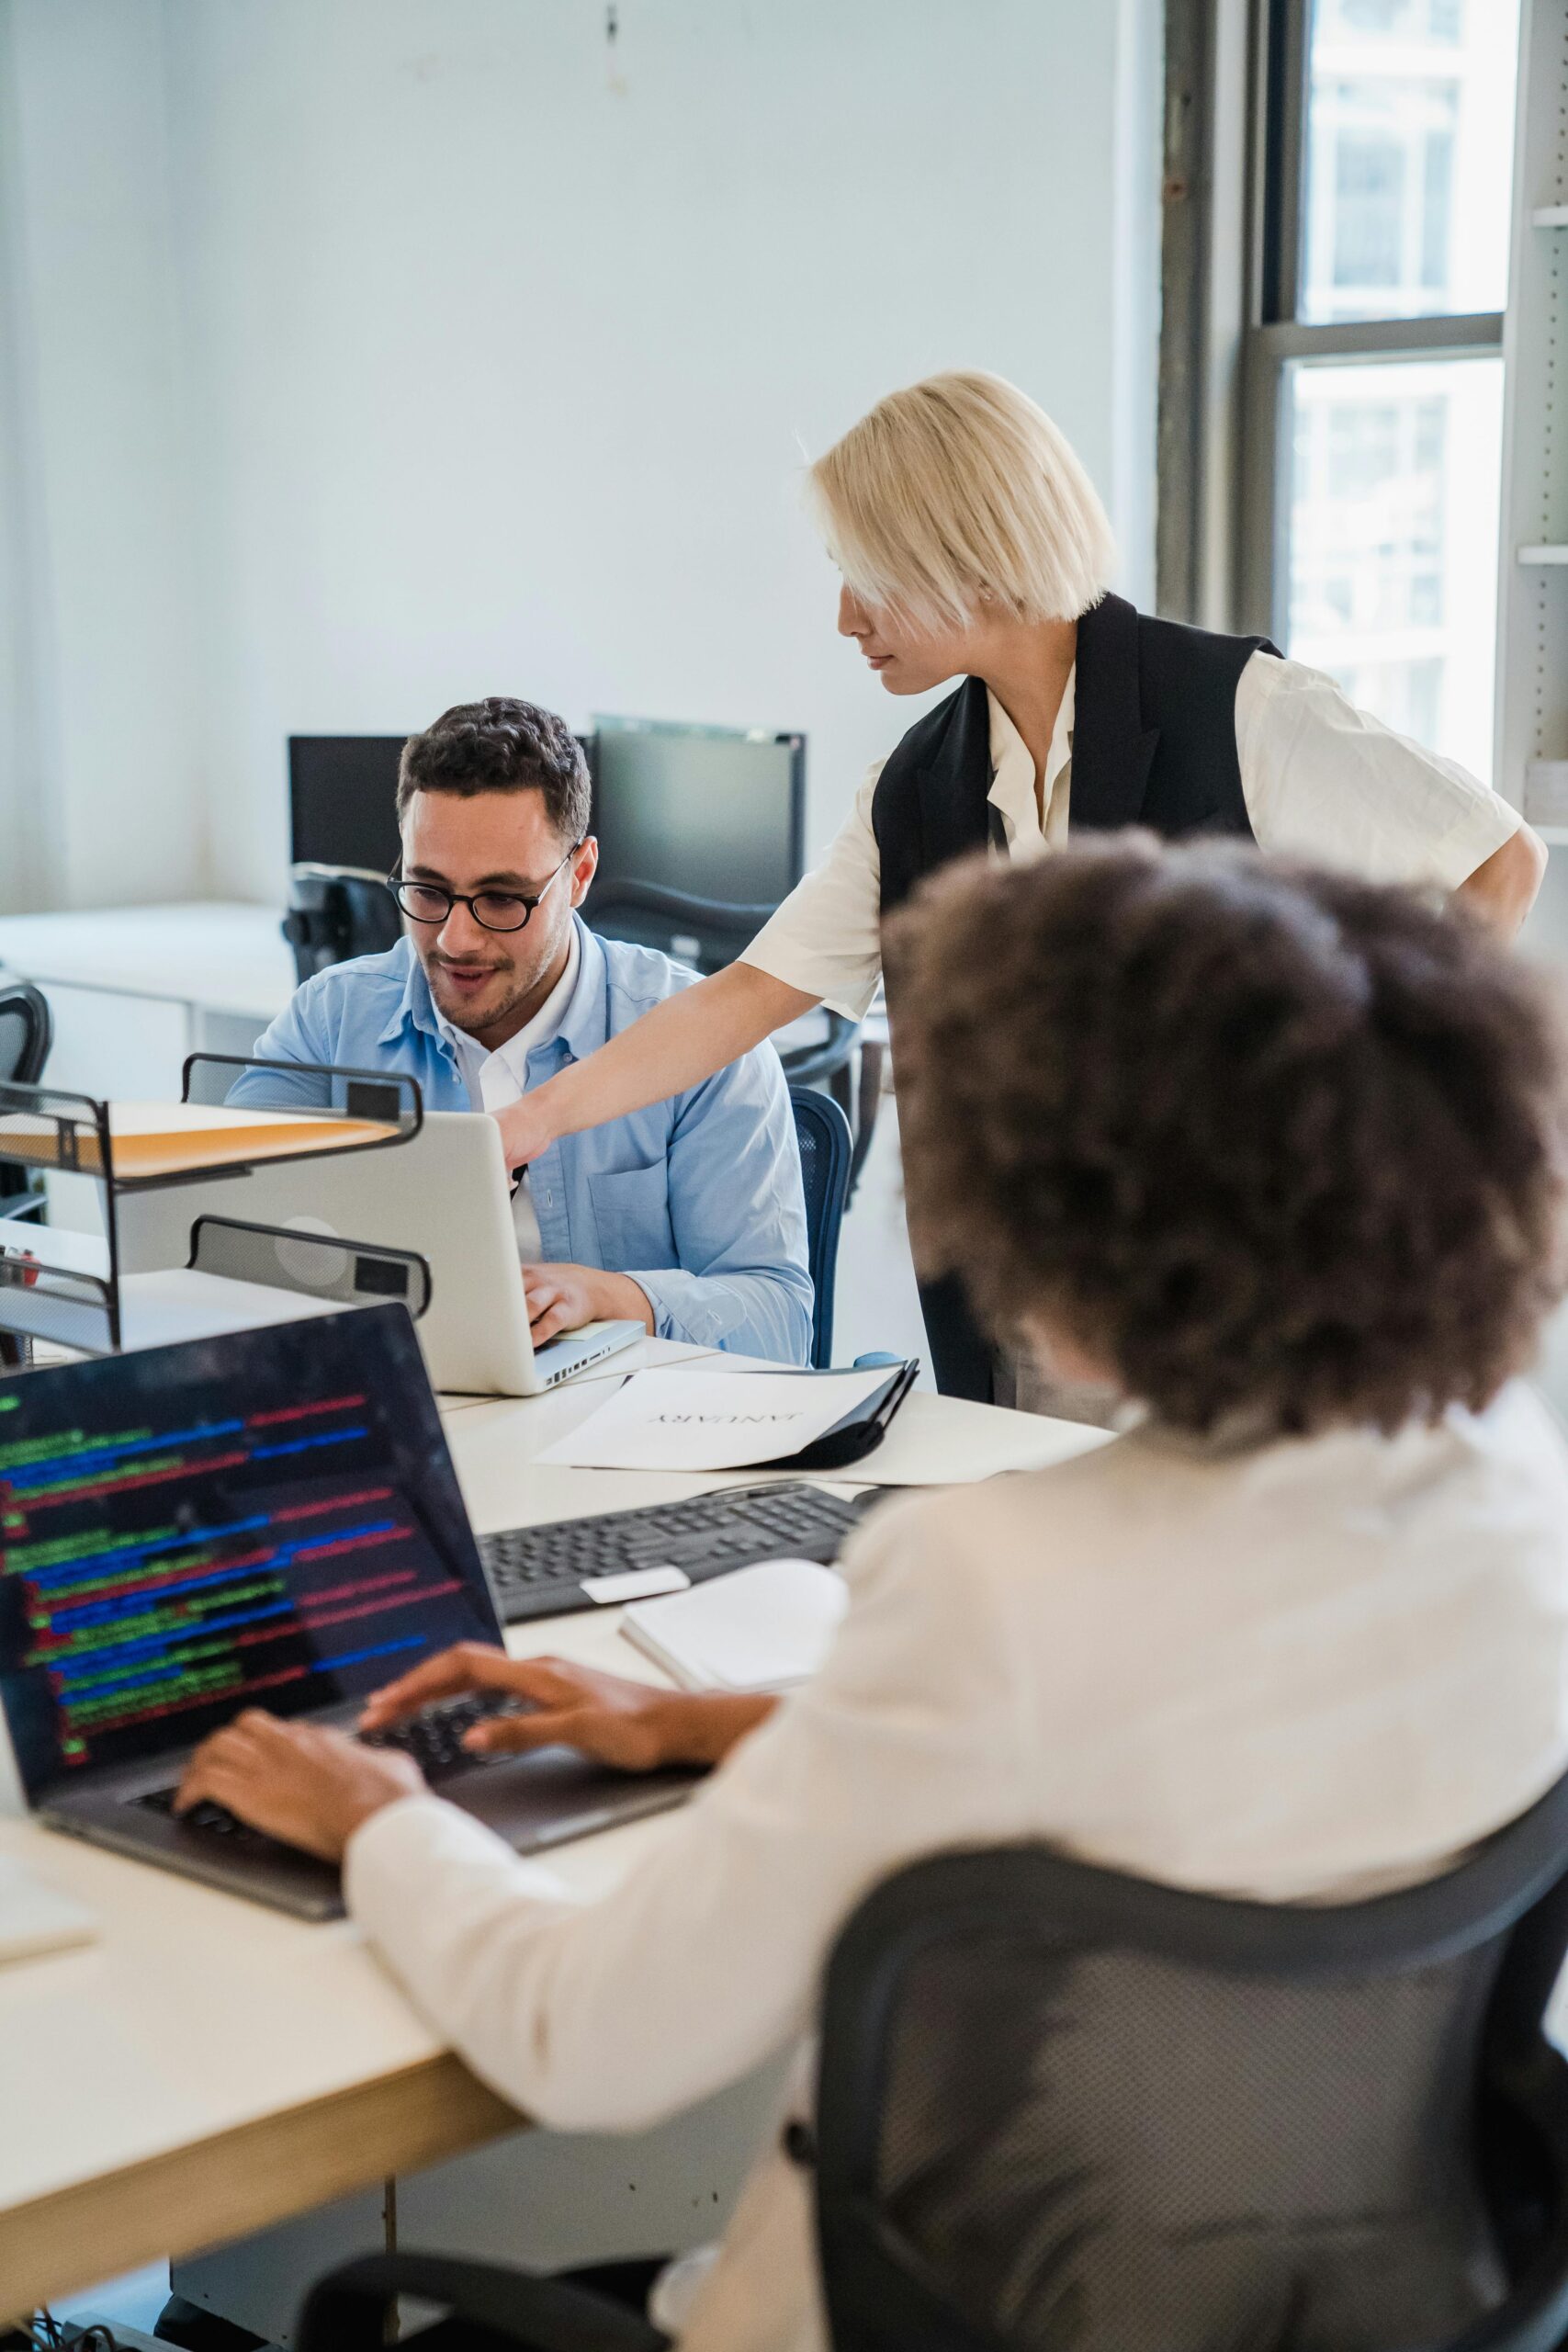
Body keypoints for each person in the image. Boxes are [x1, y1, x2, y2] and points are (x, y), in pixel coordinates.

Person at [180, 835, 1568, 2352]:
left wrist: (377, 1817)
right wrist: (725, 1725)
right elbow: (1202, 1745)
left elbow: (590, 2043)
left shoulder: (1000, 1577)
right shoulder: (1507, 1479)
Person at [482, 370, 1547, 1409]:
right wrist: (530, 1121)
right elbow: (750, 993)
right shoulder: (915, 785)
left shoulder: (1239, 708)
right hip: (1041, 1294)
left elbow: (1498, 861)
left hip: (1244, 1286)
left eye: (866, 574)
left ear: (966, 557)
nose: (846, 617)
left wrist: (1380, 1140)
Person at [232, 696, 812, 1365]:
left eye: (502, 899)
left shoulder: (706, 1040)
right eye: (426, 891)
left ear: (580, 874)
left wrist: (613, 1298)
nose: (456, 938)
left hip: (618, 1432)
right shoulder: (329, 1020)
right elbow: (226, 1237)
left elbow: (780, 1325)